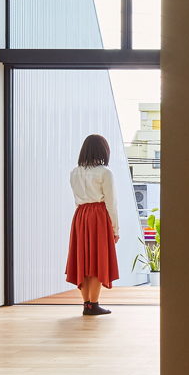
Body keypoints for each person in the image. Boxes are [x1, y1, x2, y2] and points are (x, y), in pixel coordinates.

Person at [66, 133, 120, 316]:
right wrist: (115, 229)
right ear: (103, 150)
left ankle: (87, 304)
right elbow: (111, 203)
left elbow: (76, 200)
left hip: (80, 216)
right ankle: (94, 305)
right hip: (98, 216)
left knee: (84, 260)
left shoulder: (74, 172)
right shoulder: (105, 172)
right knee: (97, 260)